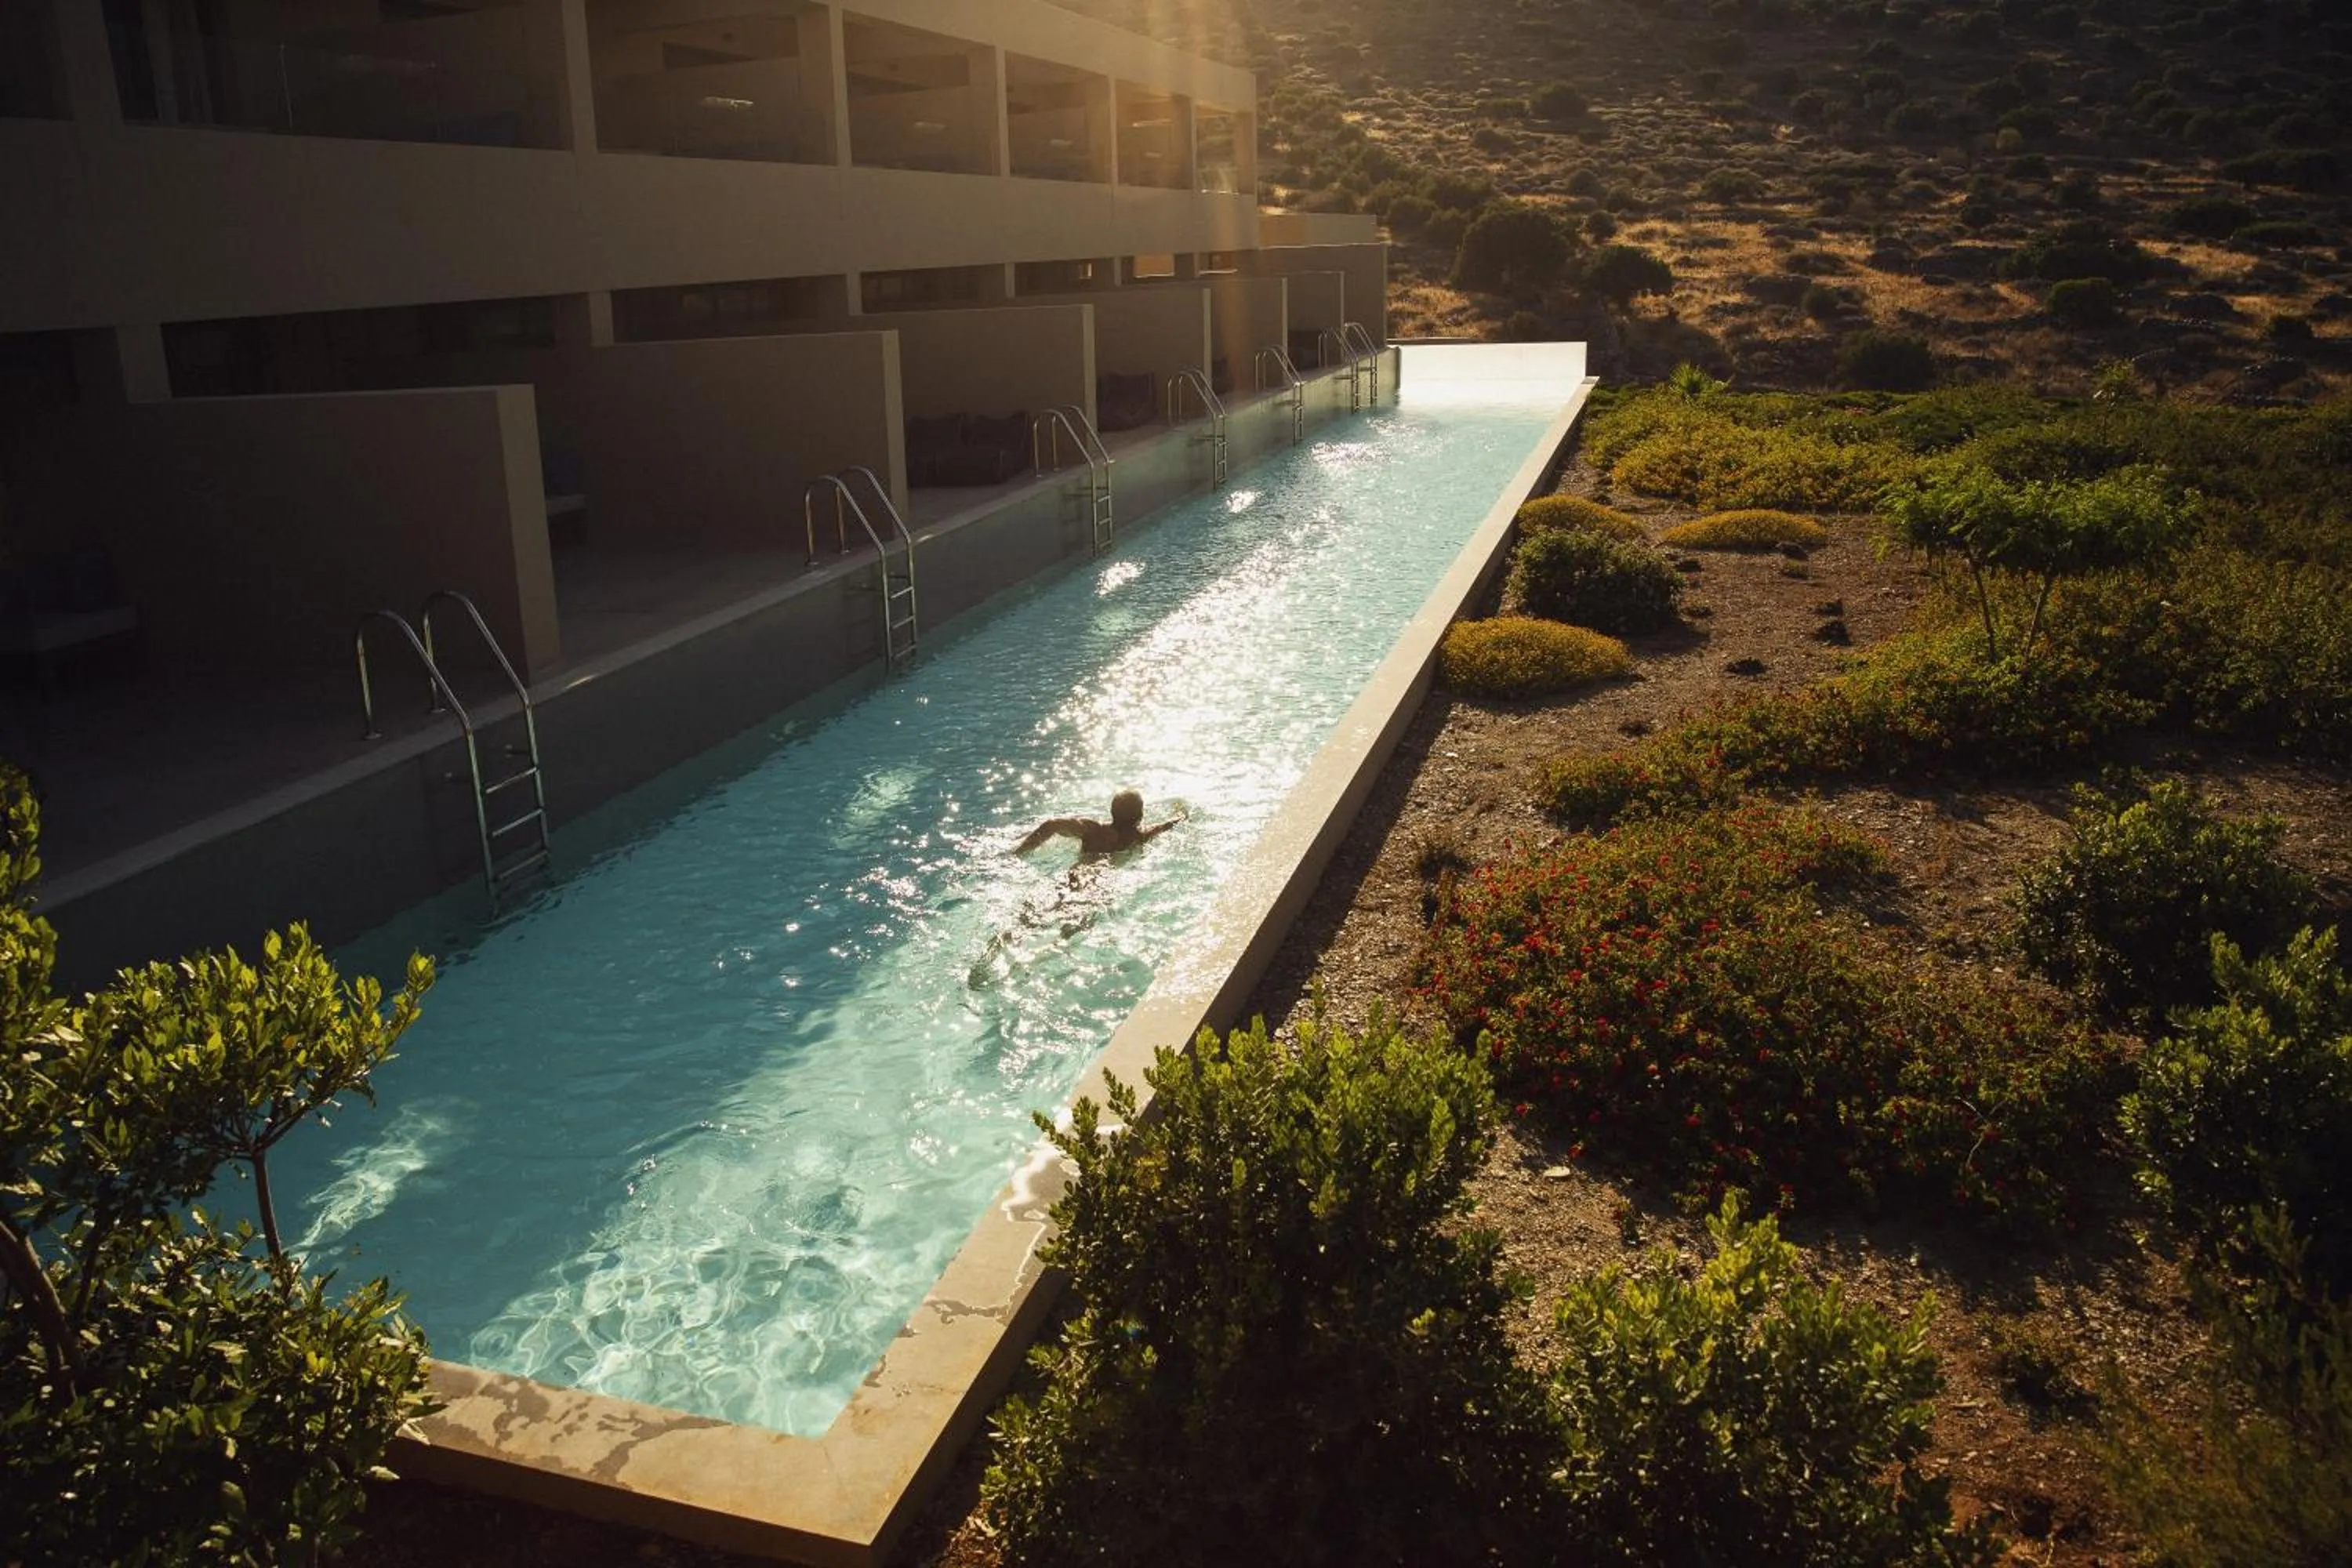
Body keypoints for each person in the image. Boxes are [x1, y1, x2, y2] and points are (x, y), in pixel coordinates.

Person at [1014, 789, 1185, 857]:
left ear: (1112, 811)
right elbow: (1165, 826)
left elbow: (1052, 825)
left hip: (1078, 873)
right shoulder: (1139, 836)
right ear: (1140, 816)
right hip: (1103, 882)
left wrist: (1021, 851)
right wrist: (1181, 813)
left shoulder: (1093, 830)